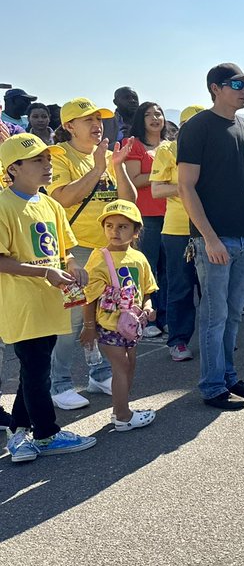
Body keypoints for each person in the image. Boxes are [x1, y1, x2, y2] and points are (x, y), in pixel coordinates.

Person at [0, 133, 98, 461]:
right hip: (22, 303)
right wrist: (46, 273)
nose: (47, 165)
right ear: (13, 168)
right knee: (35, 364)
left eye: (48, 159)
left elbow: (65, 250)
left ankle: (17, 433)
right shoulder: (3, 204)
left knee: (35, 367)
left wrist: (73, 267)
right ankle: (46, 433)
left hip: (51, 300)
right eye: (38, 161)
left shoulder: (51, 204)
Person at [176, 63, 244, 411]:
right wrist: (210, 239)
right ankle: (213, 385)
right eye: (236, 84)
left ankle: (228, 376)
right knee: (214, 316)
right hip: (214, 241)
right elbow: (186, 186)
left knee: (232, 315)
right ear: (215, 88)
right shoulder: (197, 127)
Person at [46, 97, 136, 411]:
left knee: (102, 316)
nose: (97, 125)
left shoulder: (109, 155)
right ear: (69, 125)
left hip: (109, 251)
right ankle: (59, 383)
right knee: (72, 320)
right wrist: (98, 168)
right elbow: (63, 199)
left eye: (98, 119)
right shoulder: (59, 155)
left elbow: (129, 202)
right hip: (76, 249)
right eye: (88, 120)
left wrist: (117, 167)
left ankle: (97, 374)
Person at [79, 201, 158, 431]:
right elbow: (89, 296)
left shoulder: (139, 258)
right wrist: (90, 326)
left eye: (123, 226)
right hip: (107, 325)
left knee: (130, 364)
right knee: (121, 366)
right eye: (109, 225)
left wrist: (149, 307)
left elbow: (147, 290)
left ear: (135, 232)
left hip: (131, 326)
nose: (115, 231)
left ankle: (120, 409)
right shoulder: (99, 257)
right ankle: (123, 417)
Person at [150, 105, 205, 362]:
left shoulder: (214, 148)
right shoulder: (166, 149)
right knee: (181, 287)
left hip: (210, 228)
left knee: (212, 289)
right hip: (177, 230)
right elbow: (157, 191)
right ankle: (179, 340)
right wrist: (187, 187)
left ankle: (211, 338)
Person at [121, 101, 169, 337]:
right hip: (146, 216)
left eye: (158, 113)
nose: (154, 118)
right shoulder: (134, 145)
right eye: (148, 114)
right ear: (140, 120)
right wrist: (163, 174)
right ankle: (146, 319)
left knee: (170, 270)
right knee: (148, 269)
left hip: (172, 215)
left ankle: (166, 316)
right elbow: (135, 179)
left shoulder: (170, 146)